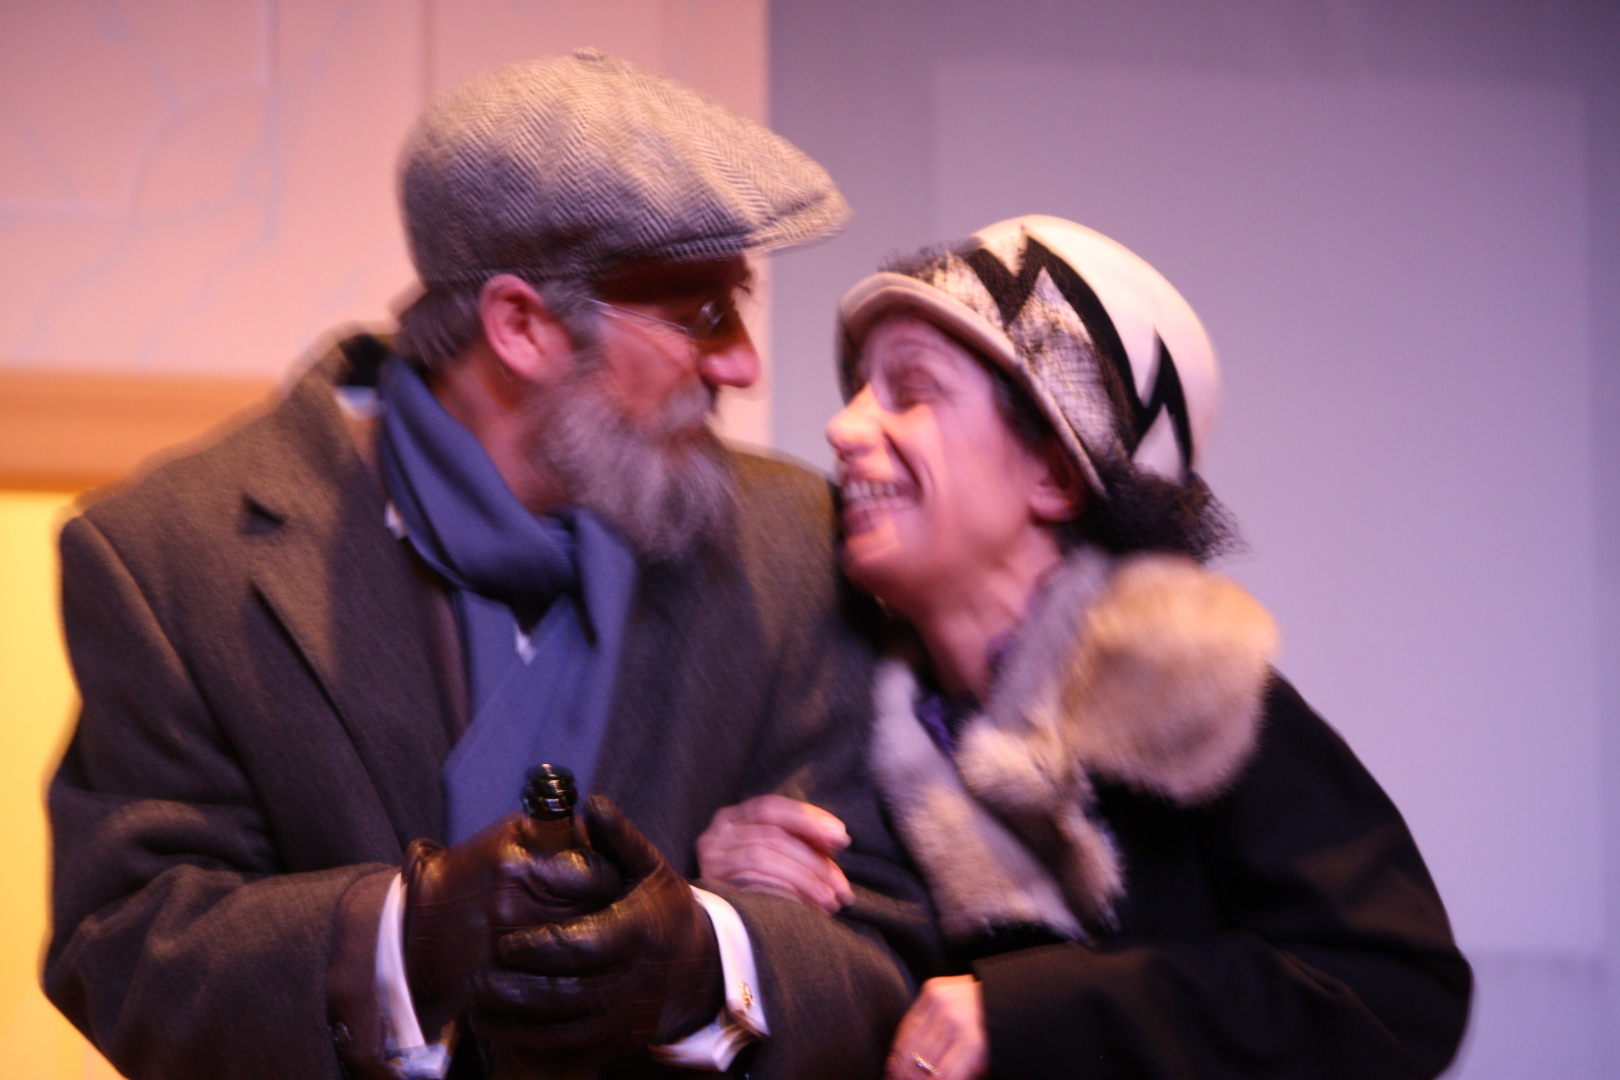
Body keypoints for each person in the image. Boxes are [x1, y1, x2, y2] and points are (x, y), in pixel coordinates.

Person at [44, 52, 934, 1080]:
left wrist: (709, 960)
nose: (743, 363)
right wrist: (404, 938)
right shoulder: (165, 558)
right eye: (701, 314)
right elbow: (123, 949)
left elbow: (889, 939)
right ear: (522, 325)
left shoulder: (797, 543)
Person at [698, 215, 1473, 1079]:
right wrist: (737, 906)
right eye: (856, 389)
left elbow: (1399, 994)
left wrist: (1034, 1010)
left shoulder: (1192, 700)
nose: (843, 428)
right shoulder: (839, 706)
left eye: (910, 392)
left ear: (1056, 472)